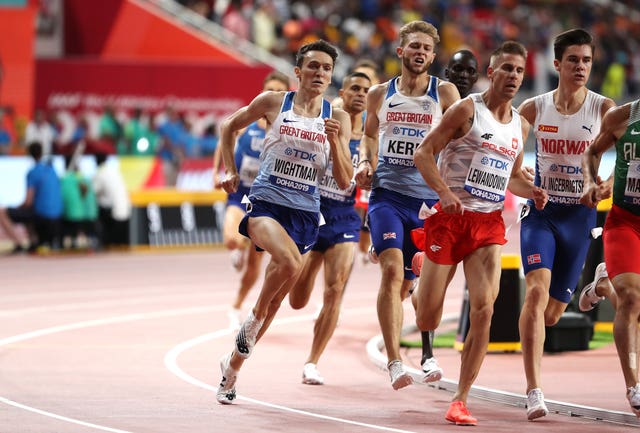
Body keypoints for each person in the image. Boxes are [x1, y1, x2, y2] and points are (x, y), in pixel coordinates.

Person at [412, 41, 547, 426]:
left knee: (485, 308)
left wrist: (532, 190)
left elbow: (513, 178)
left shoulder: (521, 124)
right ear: (491, 72)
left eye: (519, 71)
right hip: (450, 220)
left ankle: (460, 399)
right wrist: (444, 192)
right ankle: (421, 271)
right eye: (506, 69)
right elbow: (424, 153)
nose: (513, 77)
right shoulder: (467, 109)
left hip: (487, 224)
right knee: (426, 317)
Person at [216, 39, 353, 405]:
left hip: (306, 214)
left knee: (279, 302)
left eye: (326, 68)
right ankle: (253, 317)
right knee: (290, 264)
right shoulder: (275, 103)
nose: (320, 73)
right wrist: (230, 169)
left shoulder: (337, 118)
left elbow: (344, 180)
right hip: (266, 204)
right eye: (313, 66)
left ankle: (232, 369)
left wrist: (337, 143)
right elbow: (229, 126)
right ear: (298, 71)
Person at [515, 28, 616, 421]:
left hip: (580, 218)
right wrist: (521, 176)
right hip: (541, 213)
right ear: (557, 64)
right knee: (535, 294)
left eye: (587, 60)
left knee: (554, 313)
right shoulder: (534, 108)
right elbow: (506, 152)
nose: (580, 67)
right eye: (573, 59)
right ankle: (534, 390)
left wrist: (603, 186)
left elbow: (620, 164)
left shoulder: (604, 108)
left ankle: (589, 285)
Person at [354, 20, 460, 390]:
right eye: (414, 46)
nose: (420, 53)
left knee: (424, 283)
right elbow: (368, 135)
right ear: (401, 51)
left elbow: (464, 138)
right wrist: (364, 162)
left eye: (427, 49)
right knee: (392, 272)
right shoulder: (379, 94)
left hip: (429, 202)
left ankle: (428, 353)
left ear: (433, 56)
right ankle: (396, 362)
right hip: (387, 195)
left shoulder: (444, 93)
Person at [288, 71, 371, 385]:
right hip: (311, 211)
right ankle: (305, 271)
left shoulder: (370, 135)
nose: (361, 94)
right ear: (343, 93)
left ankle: (312, 361)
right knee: (298, 299)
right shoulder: (323, 120)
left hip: (345, 217)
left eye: (366, 90)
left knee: (335, 290)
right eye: (355, 89)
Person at [414, 48, 480, 381]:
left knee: (440, 291)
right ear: (446, 73)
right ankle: (427, 354)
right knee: (425, 288)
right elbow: (421, 150)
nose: (463, 77)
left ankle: (419, 280)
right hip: (423, 200)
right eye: (457, 71)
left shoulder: (480, 111)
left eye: (470, 71)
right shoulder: (435, 100)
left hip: (460, 209)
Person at [212, 70, 291, 330]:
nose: (274, 93)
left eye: (280, 89)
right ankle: (238, 247)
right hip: (239, 193)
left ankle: (236, 305)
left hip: (265, 197)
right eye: (270, 89)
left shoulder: (288, 127)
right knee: (231, 239)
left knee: (255, 263)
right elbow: (225, 136)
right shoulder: (246, 122)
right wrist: (219, 170)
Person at [580, 97, 640, 417]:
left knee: (636, 305)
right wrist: (592, 181)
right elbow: (592, 151)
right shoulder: (623, 117)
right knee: (631, 298)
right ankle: (634, 386)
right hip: (625, 222)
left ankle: (603, 283)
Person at [0, 141, 63, 253]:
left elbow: (28, 201)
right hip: (57, 215)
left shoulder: (33, 172)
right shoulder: (52, 170)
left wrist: (17, 207)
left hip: (41, 216)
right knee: (28, 212)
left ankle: (18, 244)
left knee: (3, 212)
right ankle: (33, 240)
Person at [93, 153, 131, 248]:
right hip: (126, 209)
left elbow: (93, 191)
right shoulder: (114, 170)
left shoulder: (100, 173)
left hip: (113, 214)